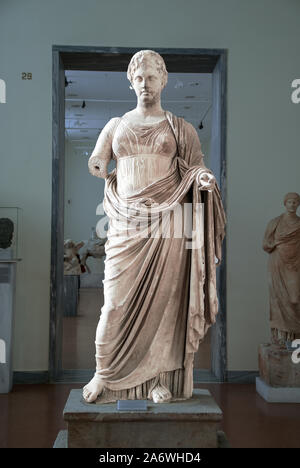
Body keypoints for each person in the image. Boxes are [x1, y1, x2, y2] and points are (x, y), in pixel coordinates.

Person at [83, 50, 225, 404]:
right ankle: (104, 373)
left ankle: (157, 379)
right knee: (114, 304)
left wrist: (204, 179)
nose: (146, 84)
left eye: (152, 77)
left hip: (170, 222)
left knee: (165, 304)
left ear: (164, 80)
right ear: (131, 82)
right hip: (126, 225)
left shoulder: (181, 128)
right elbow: (97, 159)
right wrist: (98, 164)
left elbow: (196, 168)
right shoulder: (116, 125)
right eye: (139, 78)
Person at [263, 192, 300, 347]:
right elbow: (266, 244)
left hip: (296, 264)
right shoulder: (275, 223)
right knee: (278, 299)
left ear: (298, 205)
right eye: (289, 202)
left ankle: (295, 338)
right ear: (285, 204)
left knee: (295, 299)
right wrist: (276, 243)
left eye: (295, 202)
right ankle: (281, 338)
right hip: (277, 263)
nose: (292, 204)